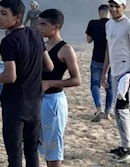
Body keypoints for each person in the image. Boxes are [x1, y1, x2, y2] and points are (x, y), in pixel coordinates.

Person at [0, 0, 53, 167]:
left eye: (4, 13)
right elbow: (49, 66)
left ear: (17, 17)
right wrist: (30, 66)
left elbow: (10, 77)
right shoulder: (36, 35)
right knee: (31, 151)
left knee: (14, 156)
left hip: (15, 104)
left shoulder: (9, 41)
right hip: (36, 102)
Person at [37, 9, 81, 167]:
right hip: (38, 100)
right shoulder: (42, 45)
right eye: (38, 24)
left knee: (53, 150)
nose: (39, 28)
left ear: (55, 26)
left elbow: (76, 80)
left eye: (44, 24)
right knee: (41, 145)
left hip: (53, 102)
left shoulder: (65, 49)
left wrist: (50, 83)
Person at [102, 0, 130, 162]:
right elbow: (108, 50)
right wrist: (105, 72)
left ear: (124, 7)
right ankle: (124, 145)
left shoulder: (129, 25)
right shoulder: (109, 24)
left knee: (121, 109)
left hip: (126, 72)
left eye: (117, 6)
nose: (113, 9)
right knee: (118, 110)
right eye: (111, 6)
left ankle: (127, 148)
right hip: (115, 72)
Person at [85, 4, 113, 122]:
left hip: (96, 58)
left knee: (95, 84)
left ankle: (98, 107)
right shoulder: (113, 24)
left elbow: (88, 40)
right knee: (109, 87)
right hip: (111, 61)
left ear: (99, 13)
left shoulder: (92, 23)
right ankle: (107, 113)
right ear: (109, 13)